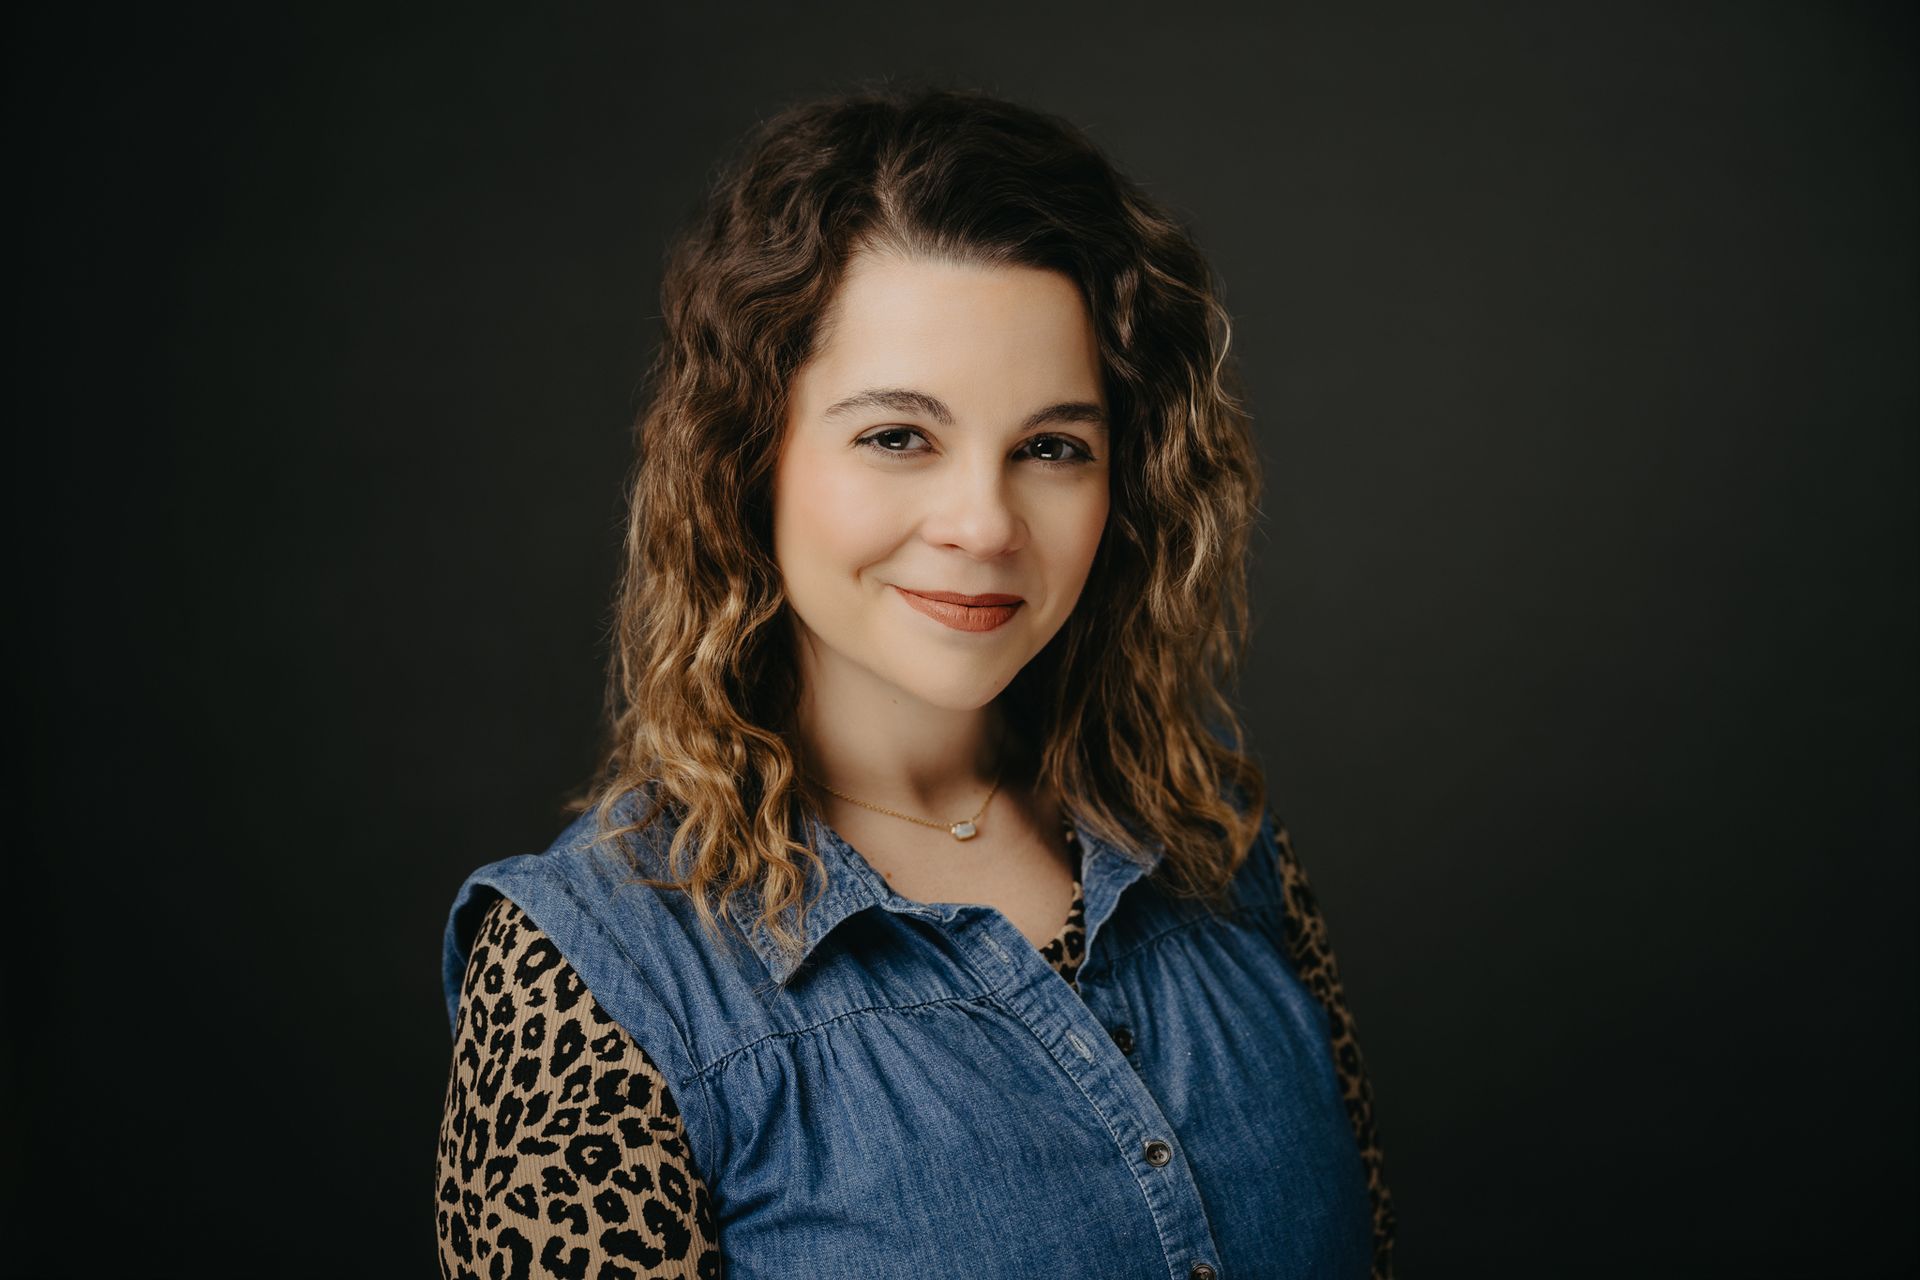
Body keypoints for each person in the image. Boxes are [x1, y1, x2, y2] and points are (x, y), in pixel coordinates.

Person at [434, 82, 1396, 1280]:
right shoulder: (596, 977)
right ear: (748, 460)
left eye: (1052, 447)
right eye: (898, 435)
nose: (983, 522)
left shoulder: (1225, 850)